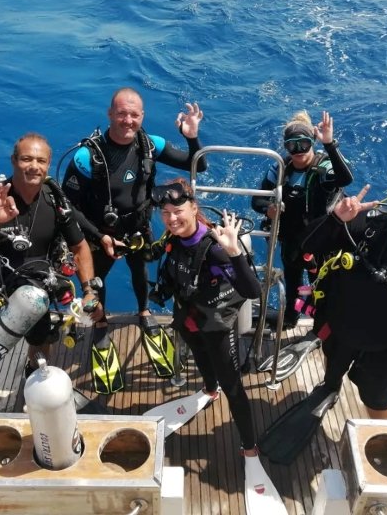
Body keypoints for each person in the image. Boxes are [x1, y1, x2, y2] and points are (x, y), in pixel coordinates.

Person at [258, 172, 387, 465]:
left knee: (377, 401)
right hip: (339, 331)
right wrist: (336, 220)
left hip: (385, 349)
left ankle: (382, 437)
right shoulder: (371, 229)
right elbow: (307, 246)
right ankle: (330, 387)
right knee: (332, 373)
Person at [0, 133, 104, 411]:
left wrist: (89, 289)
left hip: (36, 289)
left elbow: (79, 247)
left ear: (48, 163)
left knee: (41, 341)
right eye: (27, 158)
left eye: (41, 160)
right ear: (14, 161)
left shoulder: (55, 200)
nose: (34, 166)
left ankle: (34, 389)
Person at [61, 87, 206, 384]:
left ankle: (143, 312)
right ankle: (100, 325)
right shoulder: (87, 157)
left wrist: (191, 136)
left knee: (140, 272)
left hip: (138, 227)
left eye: (134, 114)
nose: (128, 120)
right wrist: (99, 236)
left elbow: (198, 164)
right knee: (96, 280)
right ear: (110, 114)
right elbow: (67, 206)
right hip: (101, 233)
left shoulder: (150, 145)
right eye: (122, 113)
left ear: (142, 116)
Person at [149, 178, 262, 460]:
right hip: (188, 319)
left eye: (178, 211)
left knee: (233, 387)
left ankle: (249, 447)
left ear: (193, 207)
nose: (172, 219)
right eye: (165, 213)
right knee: (201, 360)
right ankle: (209, 391)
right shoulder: (173, 238)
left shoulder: (215, 248)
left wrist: (234, 252)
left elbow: (252, 290)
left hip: (217, 328)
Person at [251, 110, 353, 329]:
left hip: (322, 241)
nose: (298, 151)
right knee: (293, 285)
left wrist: (330, 144)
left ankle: (319, 325)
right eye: (292, 146)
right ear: (285, 146)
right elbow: (256, 201)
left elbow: (346, 178)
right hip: (292, 239)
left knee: (322, 286)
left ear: (312, 142)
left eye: (304, 144)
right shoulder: (280, 168)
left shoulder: (323, 167)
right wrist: (268, 209)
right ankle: (291, 318)